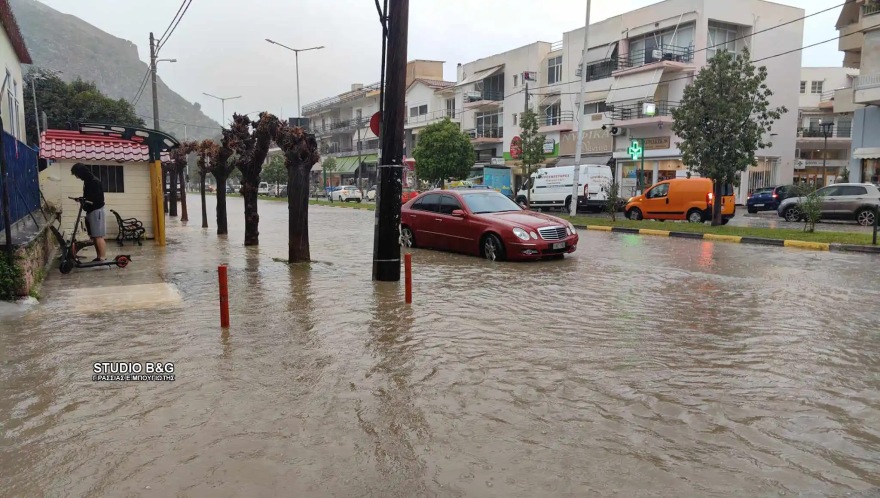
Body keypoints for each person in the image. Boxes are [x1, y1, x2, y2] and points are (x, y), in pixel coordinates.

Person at [70, 163, 106, 261]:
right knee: (94, 236)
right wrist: (82, 199)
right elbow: (89, 196)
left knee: (98, 235)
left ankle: (102, 257)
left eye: (77, 175)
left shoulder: (94, 182)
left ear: (81, 173)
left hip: (96, 210)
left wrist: (86, 200)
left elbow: (97, 198)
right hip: (90, 210)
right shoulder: (87, 181)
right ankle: (98, 256)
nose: (77, 177)